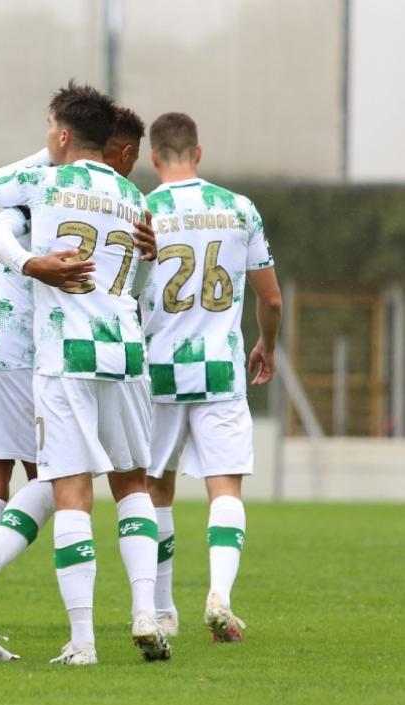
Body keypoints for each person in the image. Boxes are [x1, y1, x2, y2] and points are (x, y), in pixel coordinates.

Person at [0, 82, 168, 666]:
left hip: (63, 353)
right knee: (132, 485)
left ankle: (81, 640)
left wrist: (30, 262)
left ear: (63, 135)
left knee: (68, 490)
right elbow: (136, 272)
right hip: (125, 353)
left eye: (50, 129)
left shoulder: (44, 183)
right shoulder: (133, 196)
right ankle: (146, 614)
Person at [140, 112, 281, 643]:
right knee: (225, 487)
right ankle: (220, 595)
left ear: (154, 157)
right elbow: (271, 298)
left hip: (157, 369)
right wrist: (267, 343)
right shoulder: (239, 208)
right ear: (198, 153)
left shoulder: (142, 211)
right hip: (220, 368)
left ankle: (163, 612)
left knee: (156, 488)